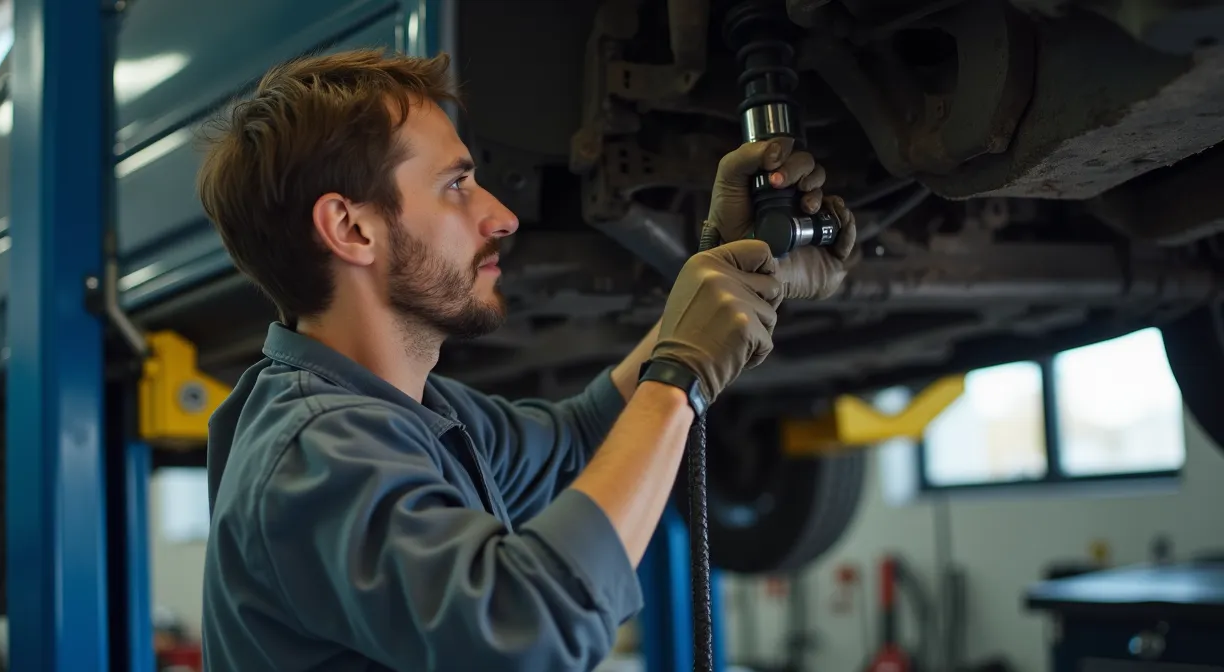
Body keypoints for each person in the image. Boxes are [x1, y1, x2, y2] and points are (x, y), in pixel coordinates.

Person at [194, 47, 857, 672]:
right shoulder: (312, 454)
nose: (503, 216)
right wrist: (679, 375)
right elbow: (524, 632)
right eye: (457, 185)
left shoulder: (412, 415)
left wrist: (728, 273)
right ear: (351, 228)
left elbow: (581, 448)